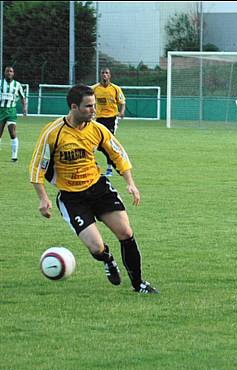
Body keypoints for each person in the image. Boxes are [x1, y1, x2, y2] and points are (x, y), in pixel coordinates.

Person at [29, 84, 157, 293]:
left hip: (98, 189)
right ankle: (107, 259)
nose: (94, 110)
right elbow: (36, 168)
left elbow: (118, 154)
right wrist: (43, 199)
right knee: (96, 247)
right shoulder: (53, 133)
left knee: (126, 232)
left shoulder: (97, 129)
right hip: (72, 198)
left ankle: (139, 284)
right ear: (73, 107)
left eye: (94, 105)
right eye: (88, 106)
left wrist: (130, 183)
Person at [92, 67, 126, 177]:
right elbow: (88, 99)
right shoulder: (94, 88)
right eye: (103, 73)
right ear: (100, 75)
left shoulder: (116, 89)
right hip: (99, 119)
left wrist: (122, 112)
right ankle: (93, 165)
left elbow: (122, 102)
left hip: (112, 119)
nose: (104, 75)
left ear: (110, 75)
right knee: (97, 144)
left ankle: (109, 168)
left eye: (106, 73)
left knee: (108, 143)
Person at [0, 66, 27, 162]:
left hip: (11, 111)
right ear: (4, 73)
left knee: (12, 132)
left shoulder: (17, 85)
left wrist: (24, 108)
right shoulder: (0, 83)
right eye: (7, 71)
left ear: (13, 73)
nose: (9, 73)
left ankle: (14, 156)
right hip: (1, 110)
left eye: (10, 71)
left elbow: (22, 97)